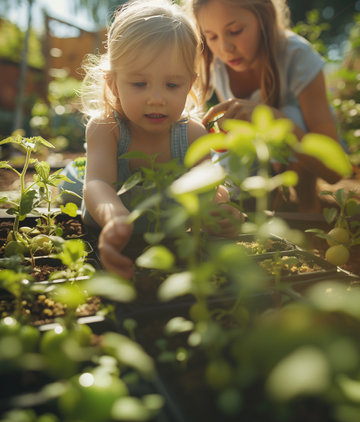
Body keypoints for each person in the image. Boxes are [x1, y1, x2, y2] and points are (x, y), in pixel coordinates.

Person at [79, 0, 242, 279]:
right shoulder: (107, 128)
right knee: (77, 177)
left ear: (189, 85)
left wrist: (220, 212)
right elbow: (97, 183)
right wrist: (114, 217)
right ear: (113, 83)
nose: (157, 98)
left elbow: (208, 191)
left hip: (167, 247)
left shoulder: (192, 135)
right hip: (106, 234)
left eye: (172, 85)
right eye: (140, 84)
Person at [185, 0, 347, 212]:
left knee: (290, 114)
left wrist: (275, 120)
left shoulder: (298, 56)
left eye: (235, 31)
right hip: (260, 159)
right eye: (212, 36)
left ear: (265, 16)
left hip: (305, 160)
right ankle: (253, 208)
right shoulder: (215, 62)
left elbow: (334, 171)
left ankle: (308, 206)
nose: (225, 48)